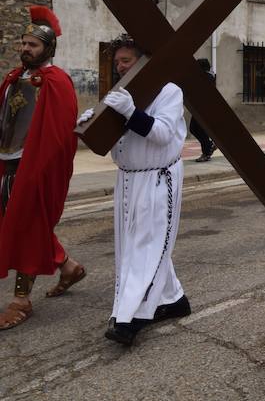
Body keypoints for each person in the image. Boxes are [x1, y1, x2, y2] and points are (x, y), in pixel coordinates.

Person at [78, 35, 191, 346]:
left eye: (125, 61)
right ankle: (174, 299)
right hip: (127, 180)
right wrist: (95, 122)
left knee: (147, 245)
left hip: (158, 178)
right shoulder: (121, 94)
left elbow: (163, 134)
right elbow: (114, 139)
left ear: (143, 61)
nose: (119, 67)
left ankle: (131, 318)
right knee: (137, 245)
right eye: (116, 63)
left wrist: (131, 113)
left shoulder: (168, 91)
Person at [0, 6, 83, 330]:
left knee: (27, 226)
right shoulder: (13, 78)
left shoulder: (57, 81)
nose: (25, 49)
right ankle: (68, 266)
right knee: (14, 223)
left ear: (47, 48)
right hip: (7, 162)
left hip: (32, 167)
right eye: (23, 43)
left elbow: (59, 135)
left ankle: (21, 300)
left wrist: (40, 170)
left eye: (32, 45)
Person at [189, 58, 217, 162]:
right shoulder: (208, 76)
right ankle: (209, 147)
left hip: (203, 109)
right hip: (201, 108)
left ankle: (207, 152)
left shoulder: (207, 77)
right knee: (197, 129)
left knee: (196, 128)